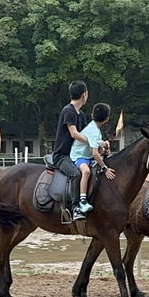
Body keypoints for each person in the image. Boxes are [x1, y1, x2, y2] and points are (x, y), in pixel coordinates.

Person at [70, 103, 116, 218]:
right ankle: (82, 201)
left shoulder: (95, 128)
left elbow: (97, 143)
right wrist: (105, 168)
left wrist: (104, 145)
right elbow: (95, 153)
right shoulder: (93, 130)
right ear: (106, 119)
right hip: (79, 156)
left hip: (88, 156)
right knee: (86, 171)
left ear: (92, 115)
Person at [52, 81, 89, 220]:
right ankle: (75, 209)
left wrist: (100, 143)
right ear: (84, 95)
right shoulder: (68, 110)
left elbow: (87, 133)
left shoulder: (81, 114)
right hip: (62, 156)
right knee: (75, 175)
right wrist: (91, 142)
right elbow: (74, 133)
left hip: (76, 155)